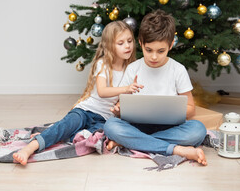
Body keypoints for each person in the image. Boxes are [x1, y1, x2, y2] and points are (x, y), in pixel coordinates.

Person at [13, 21, 143, 165]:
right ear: (110, 46)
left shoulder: (131, 69)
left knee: (94, 137)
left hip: (104, 119)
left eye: (130, 41)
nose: (127, 46)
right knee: (69, 124)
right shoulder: (103, 64)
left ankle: (55, 135)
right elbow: (102, 91)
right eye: (121, 43)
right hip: (85, 111)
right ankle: (29, 148)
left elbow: (124, 99)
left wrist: (118, 108)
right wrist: (126, 89)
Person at [104, 10, 207, 166]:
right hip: (137, 125)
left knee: (198, 130)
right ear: (141, 43)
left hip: (170, 127)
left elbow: (191, 109)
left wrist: (167, 110)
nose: (154, 57)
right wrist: (119, 110)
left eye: (161, 51)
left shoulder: (178, 70)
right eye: (149, 50)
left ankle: (132, 142)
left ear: (171, 44)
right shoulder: (133, 69)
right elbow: (122, 104)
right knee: (111, 126)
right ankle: (176, 149)